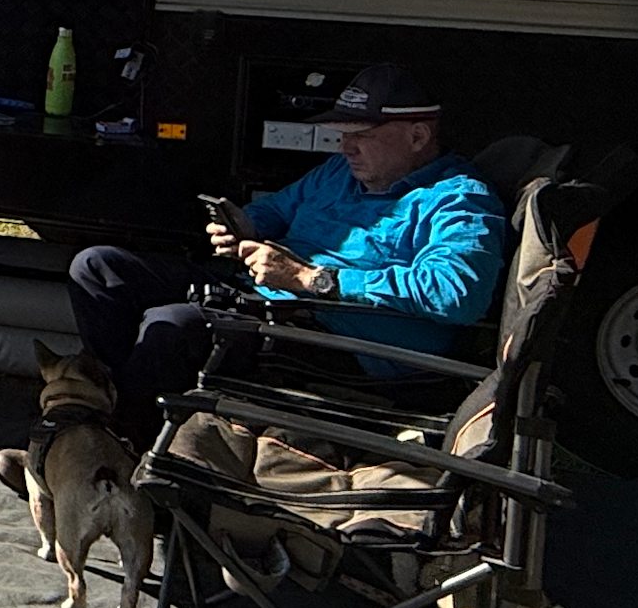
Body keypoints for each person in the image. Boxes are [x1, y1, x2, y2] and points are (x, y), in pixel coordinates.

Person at [63, 59, 512, 442]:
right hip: (260, 295)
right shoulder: (339, 173)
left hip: (332, 338)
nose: (346, 146)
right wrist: (241, 228)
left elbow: (457, 295)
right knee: (99, 268)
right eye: (342, 132)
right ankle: (113, 413)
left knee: (171, 325)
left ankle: (122, 443)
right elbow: (274, 210)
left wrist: (312, 278)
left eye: (363, 134)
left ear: (417, 136)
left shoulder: (459, 199)